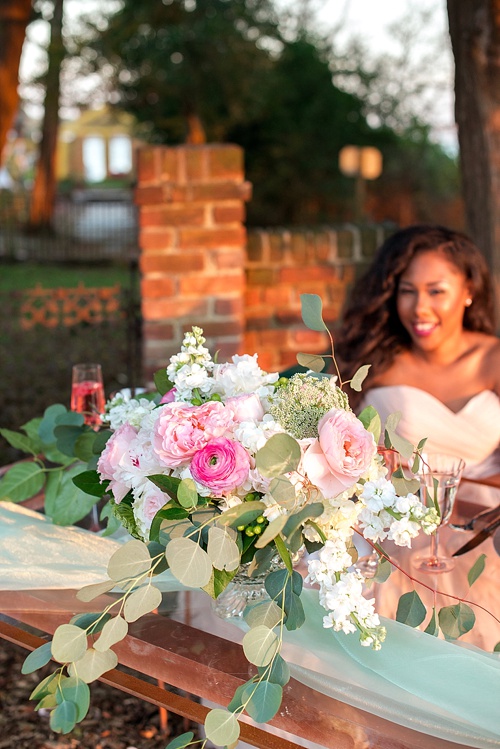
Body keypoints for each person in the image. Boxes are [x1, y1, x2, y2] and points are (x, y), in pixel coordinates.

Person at [335, 224, 500, 650]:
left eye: (436, 290)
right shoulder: (373, 362)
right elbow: (333, 443)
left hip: (481, 535)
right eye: (407, 291)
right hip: (389, 532)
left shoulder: (494, 360)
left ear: (469, 290)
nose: (419, 307)